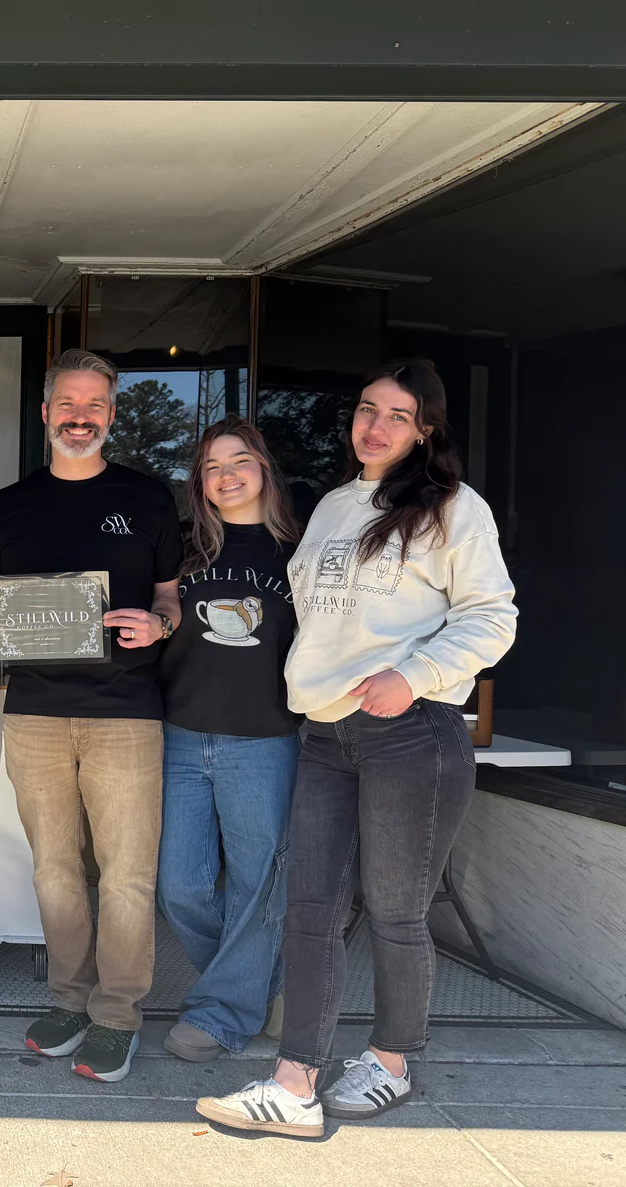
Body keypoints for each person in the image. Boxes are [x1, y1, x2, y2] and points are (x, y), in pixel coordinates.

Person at [198, 359, 517, 1137]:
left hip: (413, 732)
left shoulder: (452, 509)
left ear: (426, 431)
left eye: (397, 416)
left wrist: (413, 675)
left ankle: (393, 1060)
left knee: (398, 913)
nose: (374, 426)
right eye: (367, 409)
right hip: (325, 733)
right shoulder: (336, 506)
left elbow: (492, 617)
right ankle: (295, 1082)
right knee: (310, 910)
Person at [0, 349, 182, 1084]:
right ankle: (68, 1000)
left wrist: (159, 623)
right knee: (54, 870)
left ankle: (117, 1015)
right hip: (36, 714)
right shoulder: (10, 504)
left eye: (95, 407)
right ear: (46, 412)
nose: (80, 418)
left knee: (125, 875)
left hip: (126, 715)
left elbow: (171, 595)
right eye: (67, 405)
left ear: (111, 417)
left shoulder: (148, 499)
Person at [155, 418, 302, 1063]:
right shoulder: (181, 551)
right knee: (180, 885)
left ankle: (220, 1015)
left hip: (264, 741)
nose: (227, 475)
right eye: (211, 466)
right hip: (181, 736)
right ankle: (261, 986)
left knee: (255, 884)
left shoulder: (302, 555)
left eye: (239, 460)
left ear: (265, 467)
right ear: (201, 483)